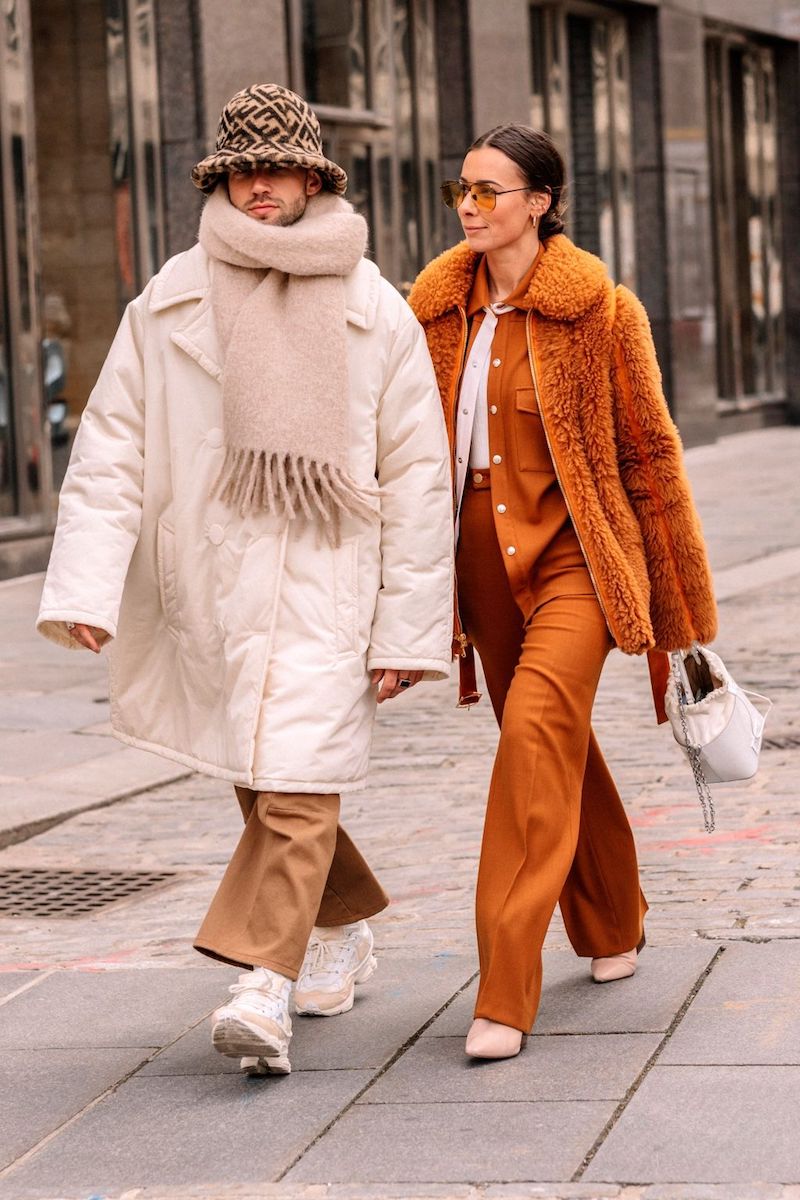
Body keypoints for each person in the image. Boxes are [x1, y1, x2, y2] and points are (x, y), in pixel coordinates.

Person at [37, 84, 453, 1076]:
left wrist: (407, 632)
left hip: (327, 582)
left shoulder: (373, 310)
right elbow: (112, 446)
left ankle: (261, 983)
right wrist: (86, 588)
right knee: (265, 778)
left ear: (314, 178)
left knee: (297, 783)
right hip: (212, 586)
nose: (259, 187)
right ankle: (339, 923)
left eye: (278, 169)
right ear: (222, 180)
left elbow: (418, 479)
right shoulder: (170, 298)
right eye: (241, 171)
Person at [408, 124, 716, 1061]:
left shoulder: (603, 313)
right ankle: (614, 919)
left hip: (578, 559)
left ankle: (505, 985)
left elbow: (650, 454)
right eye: (462, 187)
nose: (470, 204)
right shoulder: (429, 312)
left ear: (539, 202)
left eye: (491, 190)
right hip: (477, 564)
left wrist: (681, 607)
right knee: (555, 740)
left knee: (536, 732)